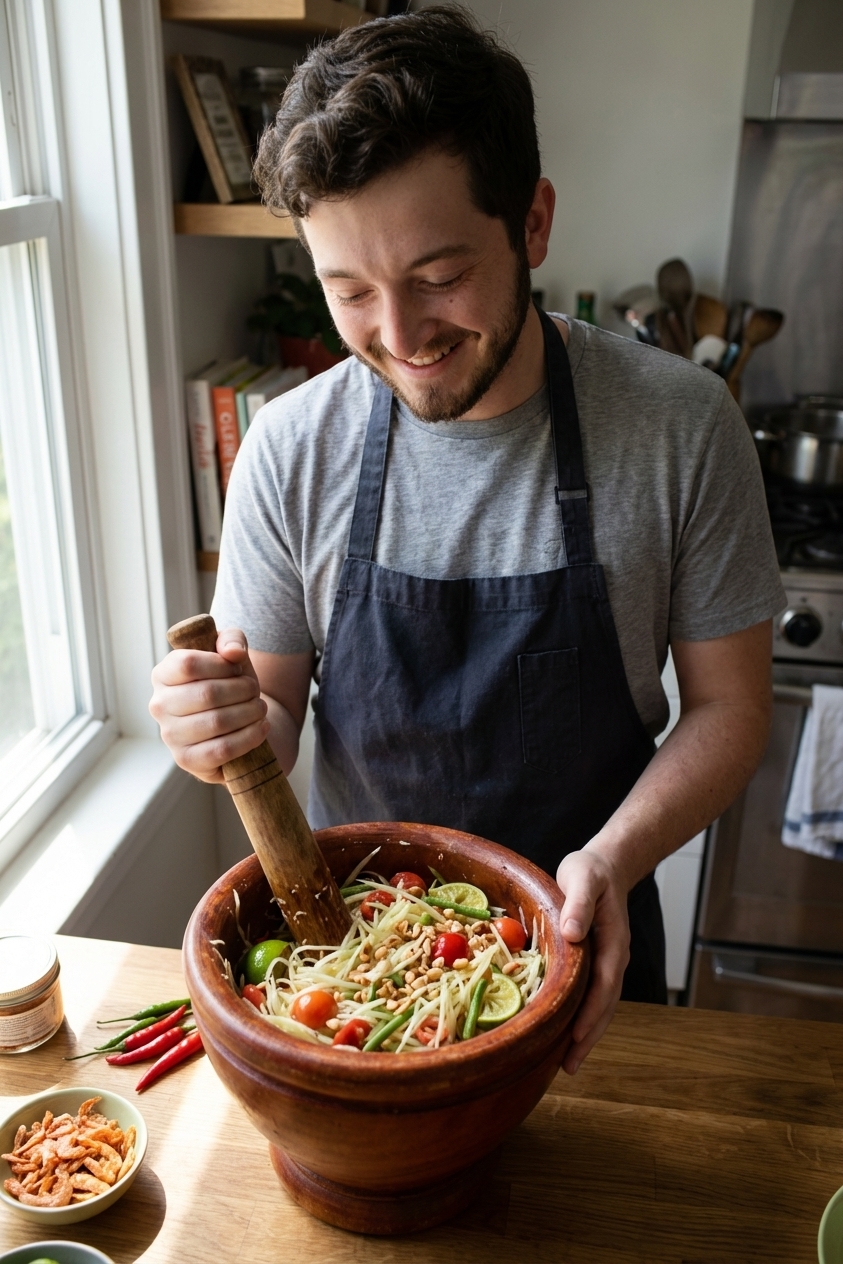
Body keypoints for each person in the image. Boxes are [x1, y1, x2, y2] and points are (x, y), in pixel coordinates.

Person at [150, 6, 785, 1074]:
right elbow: (273, 715)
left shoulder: (681, 426)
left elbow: (732, 708)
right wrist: (210, 718)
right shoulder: (290, 450)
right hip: (359, 988)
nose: (400, 338)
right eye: (348, 289)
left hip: (596, 960)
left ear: (532, 224)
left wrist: (613, 860)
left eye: (440, 276)